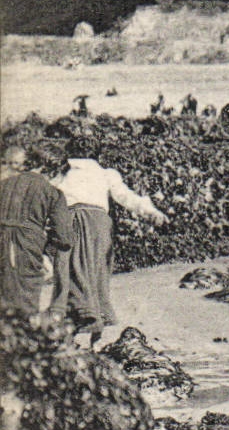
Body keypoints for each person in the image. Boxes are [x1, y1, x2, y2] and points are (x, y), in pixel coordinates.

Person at [48, 145, 169, 345]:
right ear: (97, 156)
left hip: (70, 221)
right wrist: (151, 212)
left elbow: (46, 197)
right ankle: (95, 324)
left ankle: (75, 323)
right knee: (97, 273)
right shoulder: (106, 174)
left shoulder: (63, 175)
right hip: (99, 224)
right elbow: (126, 197)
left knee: (71, 272)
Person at [0, 144, 71, 315]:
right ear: (54, 171)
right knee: (25, 304)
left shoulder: (4, 184)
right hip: (25, 246)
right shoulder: (52, 192)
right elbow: (65, 238)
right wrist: (47, 250)